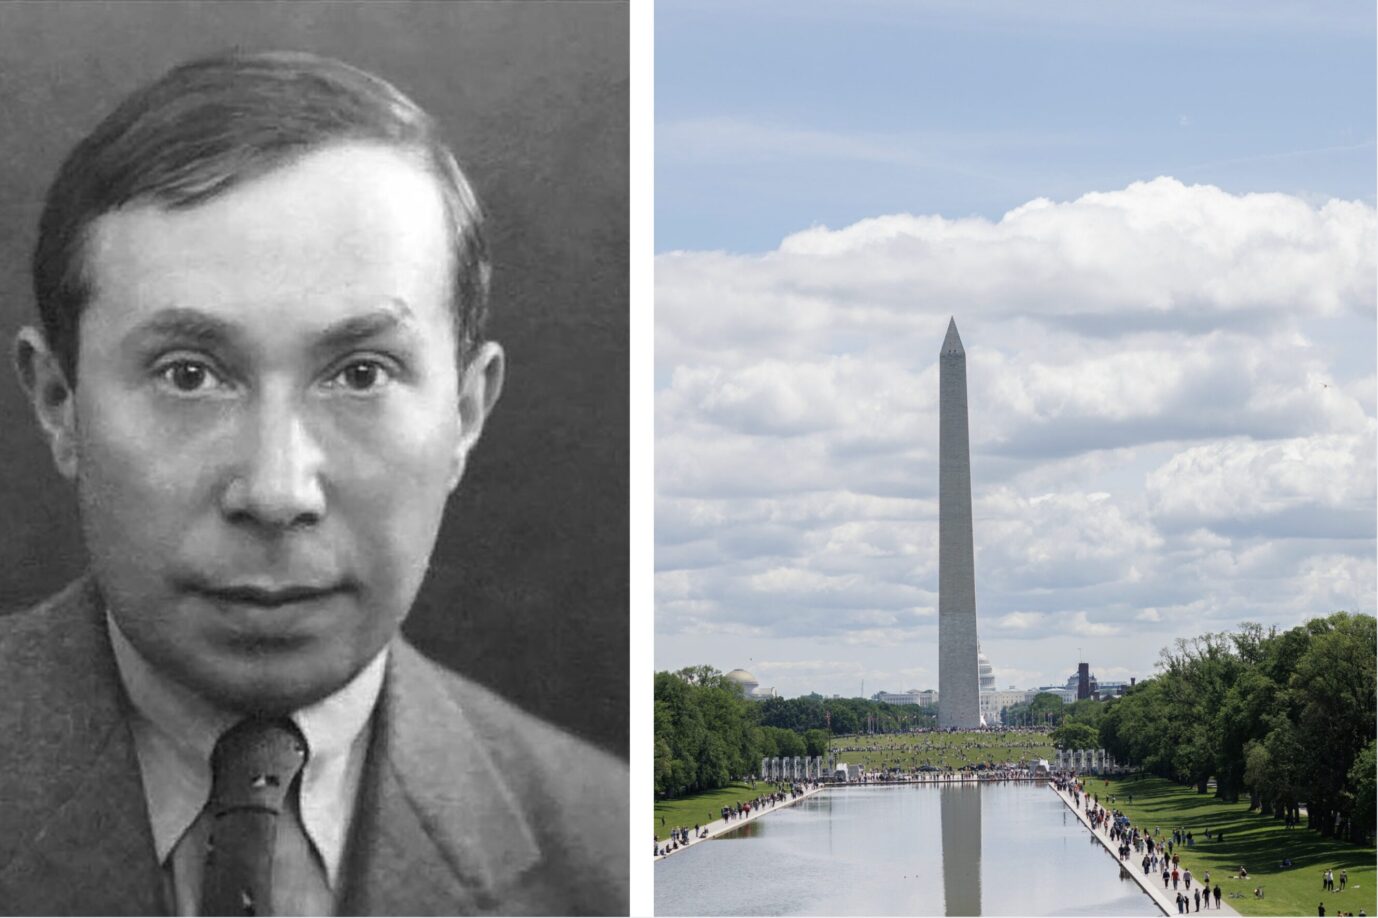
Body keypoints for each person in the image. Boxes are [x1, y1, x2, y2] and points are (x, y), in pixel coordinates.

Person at [0, 51, 627, 915]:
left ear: (468, 412)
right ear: (58, 402)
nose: (276, 490)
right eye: (189, 375)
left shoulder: (609, 855)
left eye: (360, 374)